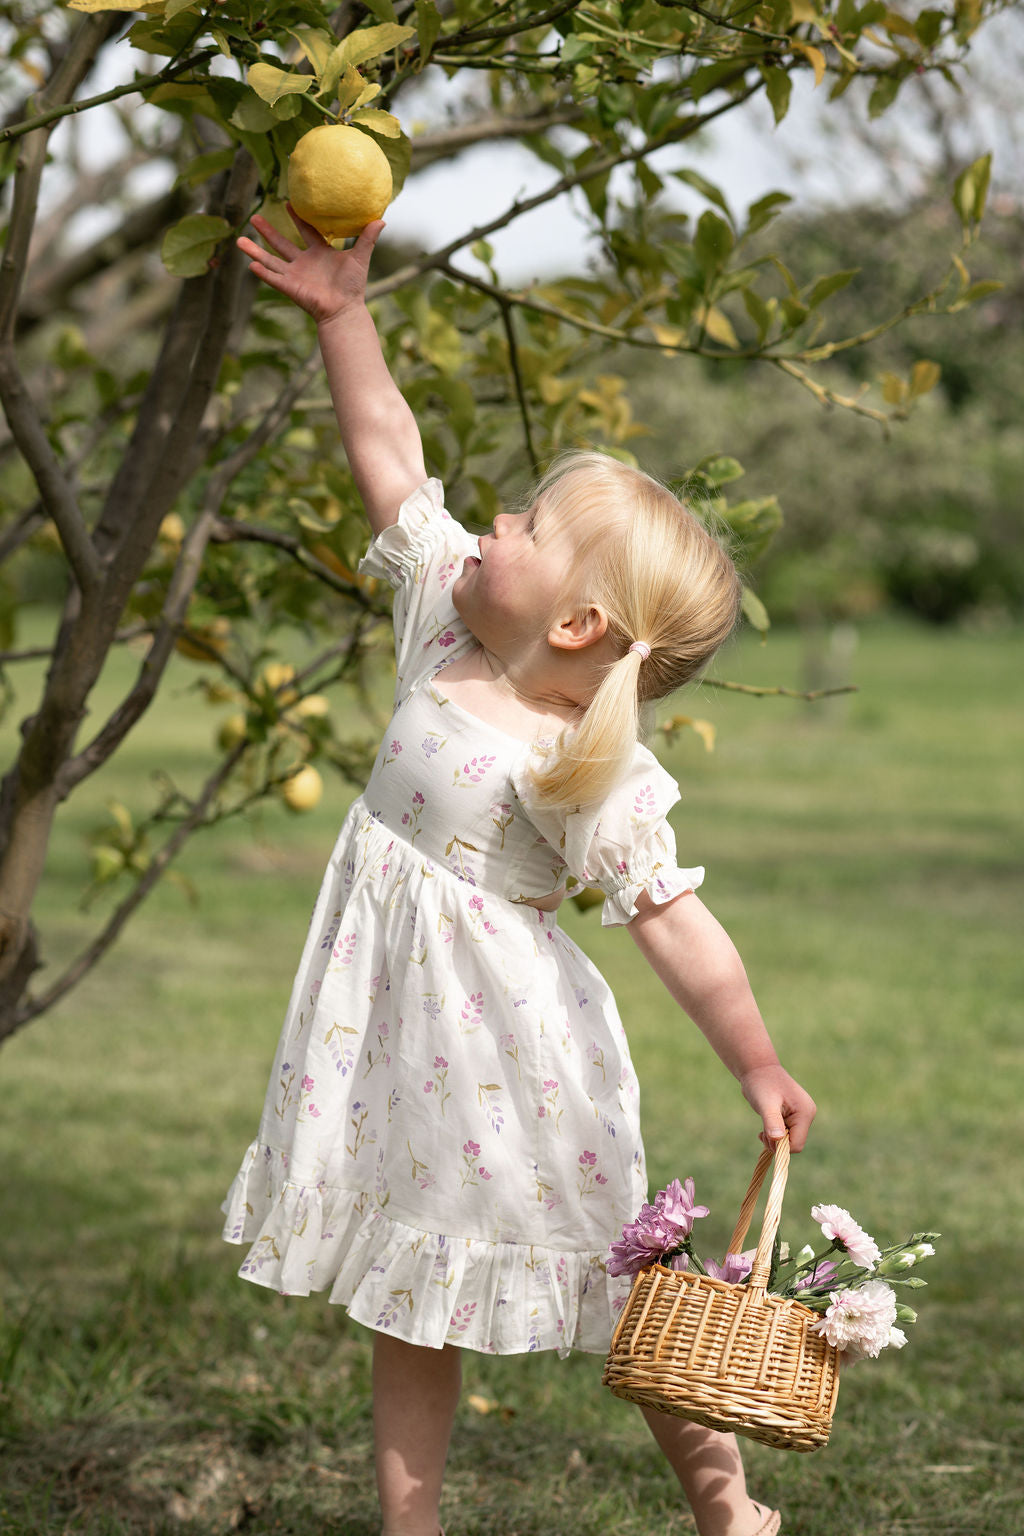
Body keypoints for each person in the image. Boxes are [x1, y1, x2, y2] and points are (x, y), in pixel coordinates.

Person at [222, 210, 816, 1536]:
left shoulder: (577, 763)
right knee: (404, 1276)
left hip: (518, 1064)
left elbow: (677, 923)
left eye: (529, 522)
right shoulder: (442, 628)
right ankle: (409, 1520)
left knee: (634, 1286)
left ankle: (731, 1509)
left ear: (577, 621)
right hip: (401, 1049)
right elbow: (392, 461)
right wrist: (341, 315)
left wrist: (757, 1064)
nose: (490, 520)